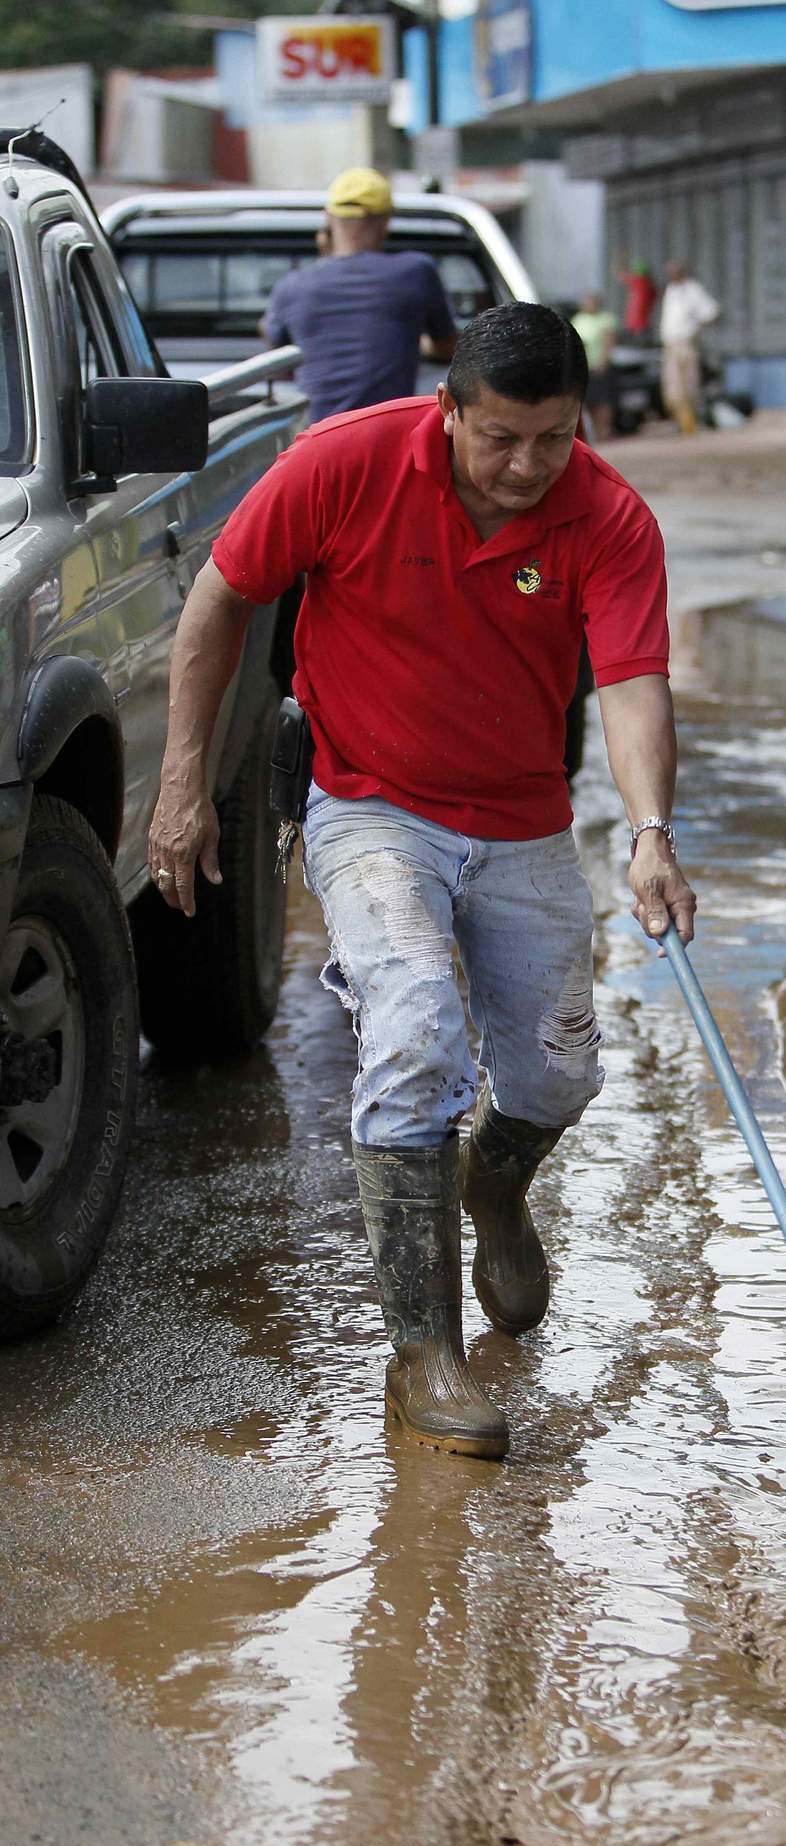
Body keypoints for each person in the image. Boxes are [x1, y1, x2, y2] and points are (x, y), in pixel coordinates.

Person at [147, 304, 696, 1464]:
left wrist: (651, 832)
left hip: (521, 815)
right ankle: (423, 1358)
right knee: (414, 1034)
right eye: (500, 439)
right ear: (447, 410)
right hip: (369, 802)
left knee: (557, 1070)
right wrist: (183, 783)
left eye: (553, 439)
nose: (527, 467)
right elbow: (219, 600)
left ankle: (492, 1187)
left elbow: (632, 681)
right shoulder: (342, 464)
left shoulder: (606, 516)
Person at [260, 166, 458, 422]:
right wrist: (416, 342)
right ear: (385, 222)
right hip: (387, 433)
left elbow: (277, 352)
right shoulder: (416, 271)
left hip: (321, 436)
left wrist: (324, 260)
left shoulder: (292, 286)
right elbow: (447, 348)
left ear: (328, 218)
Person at [658, 260, 719, 435]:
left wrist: (695, 328)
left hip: (686, 344)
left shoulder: (692, 290)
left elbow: (711, 311)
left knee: (689, 385)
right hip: (670, 345)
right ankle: (681, 421)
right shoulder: (671, 290)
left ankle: (690, 423)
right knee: (673, 388)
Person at [570, 290, 618, 441]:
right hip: (584, 366)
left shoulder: (605, 319)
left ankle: (604, 431)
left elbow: (609, 343)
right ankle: (592, 433)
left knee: (602, 401)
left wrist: (603, 362)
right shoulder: (578, 319)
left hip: (599, 366)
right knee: (588, 401)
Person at [617, 257, 657, 339]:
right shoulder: (651, 286)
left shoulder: (640, 283)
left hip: (637, 327)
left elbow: (622, 276)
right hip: (643, 325)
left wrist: (620, 264)